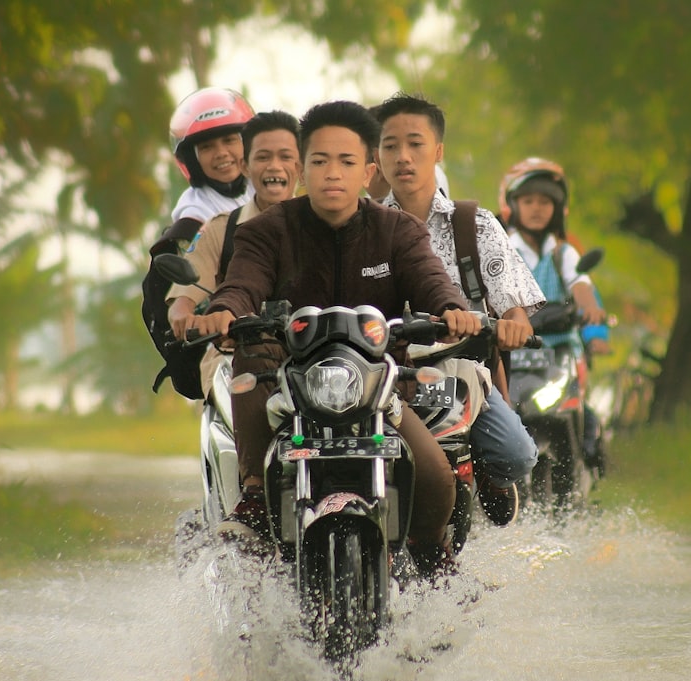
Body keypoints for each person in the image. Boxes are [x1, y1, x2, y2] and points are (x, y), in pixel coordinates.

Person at [186, 100, 482, 577]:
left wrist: (452, 309)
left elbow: (433, 280)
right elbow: (243, 284)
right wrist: (223, 311)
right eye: (320, 161)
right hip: (288, 388)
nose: (332, 174)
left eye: (346, 162)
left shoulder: (398, 230)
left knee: (437, 479)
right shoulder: (266, 232)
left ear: (368, 171)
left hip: (378, 389)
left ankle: (434, 572)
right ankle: (257, 497)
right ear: (303, 168)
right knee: (250, 351)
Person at [373, 93, 545, 527]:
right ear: (376, 155)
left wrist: (513, 325)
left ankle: (488, 477)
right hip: (386, 374)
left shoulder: (475, 223)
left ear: (438, 151)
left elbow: (514, 309)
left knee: (519, 456)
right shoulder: (364, 226)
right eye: (390, 145)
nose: (403, 157)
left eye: (415, 143)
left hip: (463, 374)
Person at [166, 110, 302, 399]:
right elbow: (185, 297)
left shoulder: (329, 224)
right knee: (242, 397)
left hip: (317, 358)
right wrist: (184, 314)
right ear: (245, 166)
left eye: (285, 157)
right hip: (238, 358)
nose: (274, 167)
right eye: (263, 157)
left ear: (301, 166)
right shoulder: (220, 229)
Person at [498, 157, 609, 472]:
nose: (536, 208)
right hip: (512, 355)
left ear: (558, 209)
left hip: (560, 355)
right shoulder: (502, 250)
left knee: (582, 416)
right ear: (512, 205)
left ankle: (588, 462)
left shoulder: (564, 253)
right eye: (528, 200)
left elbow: (581, 284)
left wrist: (589, 308)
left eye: (545, 202)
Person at [167, 87, 256, 243]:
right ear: (192, 160)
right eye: (207, 147)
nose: (221, 153)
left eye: (229, 140)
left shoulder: (265, 184)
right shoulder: (194, 215)